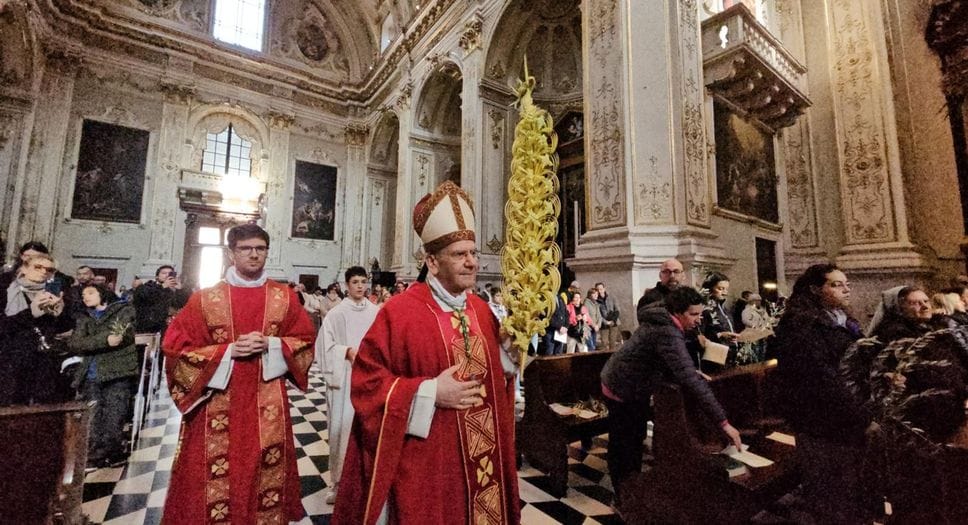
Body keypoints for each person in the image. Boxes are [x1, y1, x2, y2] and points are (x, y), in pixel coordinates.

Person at [333, 181, 520, 524]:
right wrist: (430, 392)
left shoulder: (481, 309)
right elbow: (367, 383)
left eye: (473, 253)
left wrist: (511, 359)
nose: (471, 263)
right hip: (431, 462)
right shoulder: (399, 312)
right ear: (432, 262)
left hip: (485, 459)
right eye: (459, 254)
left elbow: (499, 379)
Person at [160, 224, 316, 524]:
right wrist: (227, 351)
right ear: (232, 253)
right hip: (214, 403)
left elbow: (306, 342)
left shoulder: (283, 297)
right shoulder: (205, 299)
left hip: (267, 404)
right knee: (210, 478)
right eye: (246, 248)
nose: (254, 254)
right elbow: (175, 349)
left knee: (261, 474)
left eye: (260, 248)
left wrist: (271, 344)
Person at [601, 286, 743, 504]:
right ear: (677, 312)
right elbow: (688, 379)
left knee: (633, 439)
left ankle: (631, 490)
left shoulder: (665, 322)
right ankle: (624, 499)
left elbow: (664, 358)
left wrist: (685, 370)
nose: (698, 320)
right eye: (693, 314)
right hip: (622, 388)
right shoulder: (666, 330)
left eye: (700, 314)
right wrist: (723, 423)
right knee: (624, 444)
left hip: (631, 383)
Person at [773, 263, 870, 523]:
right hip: (822, 420)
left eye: (846, 284)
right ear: (816, 290)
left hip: (847, 416)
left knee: (851, 490)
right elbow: (822, 377)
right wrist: (861, 415)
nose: (846, 290)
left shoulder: (844, 321)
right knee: (830, 492)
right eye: (836, 285)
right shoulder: (801, 325)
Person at [316, 266, 380, 505]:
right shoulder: (336, 314)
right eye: (355, 282)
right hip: (343, 377)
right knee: (341, 430)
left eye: (363, 281)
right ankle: (338, 482)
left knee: (369, 430)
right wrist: (346, 352)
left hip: (370, 378)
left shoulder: (375, 312)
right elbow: (324, 348)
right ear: (346, 285)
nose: (360, 286)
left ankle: (367, 481)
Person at [69, 284, 138, 468]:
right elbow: (76, 343)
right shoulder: (85, 317)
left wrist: (93, 342)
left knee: (114, 413)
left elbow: (118, 336)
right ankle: (93, 454)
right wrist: (103, 341)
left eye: (91, 293)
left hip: (117, 370)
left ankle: (112, 452)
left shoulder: (123, 310)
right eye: (83, 294)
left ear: (103, 294)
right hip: (91, 372)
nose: (86, 297)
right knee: (92, 416)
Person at [0, 252, 74, 405]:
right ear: (24, 269)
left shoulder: (53, 294)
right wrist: (31, 312)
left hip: (43, 360)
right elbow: (4, 326)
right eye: (38, 267)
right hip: (10, 360)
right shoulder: (6, 291)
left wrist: (60, 313)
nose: (43, 272)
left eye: (49, 270)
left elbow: (64, 328)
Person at [133, 265, 190, 333]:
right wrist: (163, 286)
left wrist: (179, 290)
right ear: (157, 277)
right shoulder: (147, 287)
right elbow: (146, 296)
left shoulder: (173, 290)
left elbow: (183, 304)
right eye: (164, 273)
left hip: (167, 327)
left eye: (170, 273)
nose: (167, 275)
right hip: (148, 327)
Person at [700, 272, 739, 368]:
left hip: (729, 354)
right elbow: (699, 334)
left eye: (726, 289)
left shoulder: (725, 309)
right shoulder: (704, 310)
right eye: (720, 289)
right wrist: (720, 335)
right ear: (709, 289)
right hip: (714, 356)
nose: (725, 292)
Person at [595, 282, 620, 351]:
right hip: (603, 324)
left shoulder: (611, 297)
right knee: (604, 342)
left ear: (604, 289)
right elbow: (598, 315)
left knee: (613, 342)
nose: (600, 291)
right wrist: (606, 322)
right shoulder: (596, 301)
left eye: (601, 289)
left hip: (614, 322)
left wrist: (613, 320)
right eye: (597, 289)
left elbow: (617, 309)